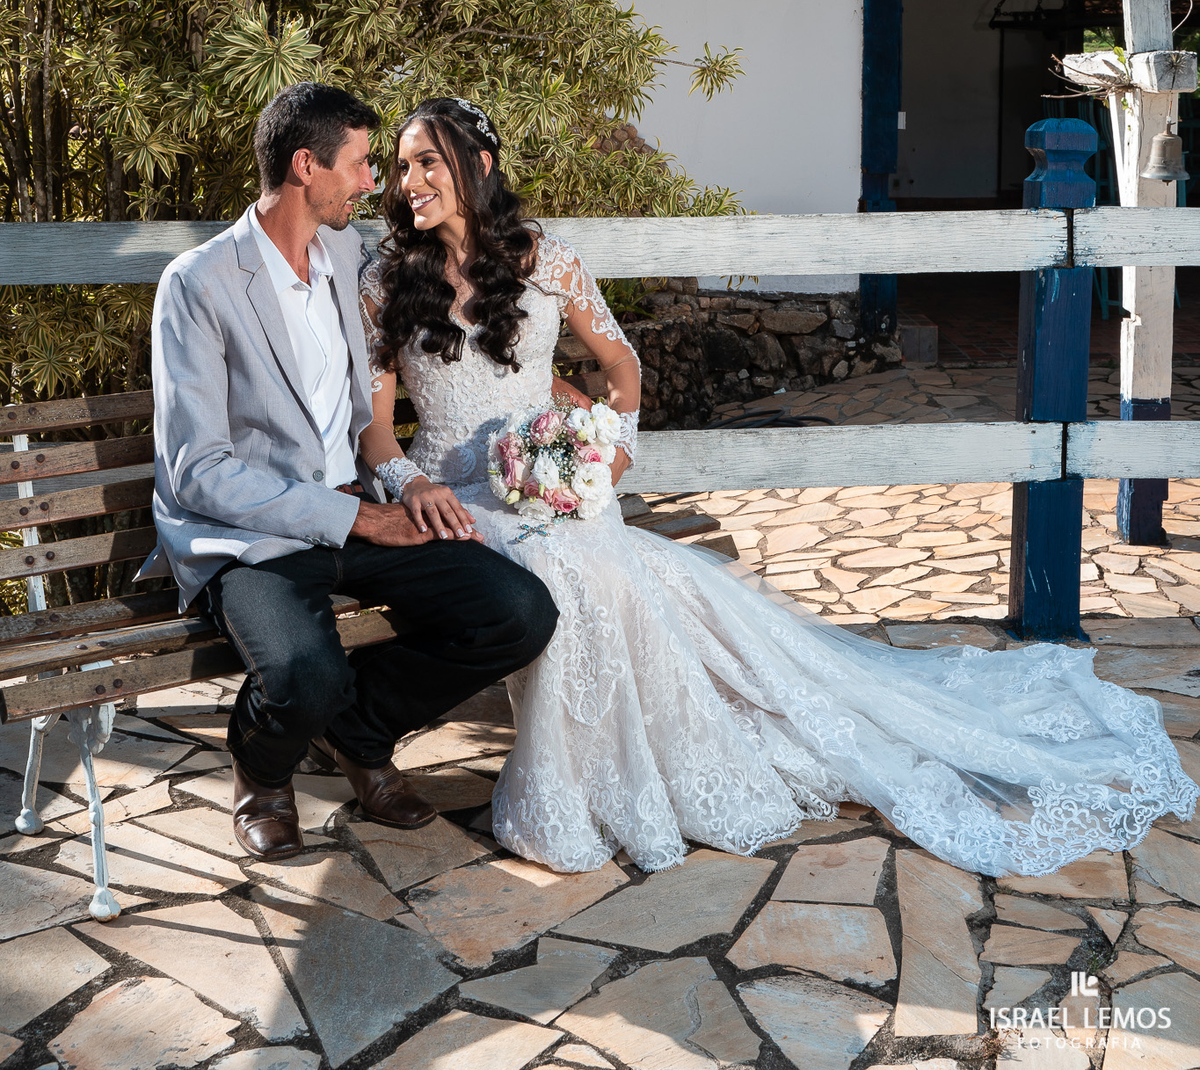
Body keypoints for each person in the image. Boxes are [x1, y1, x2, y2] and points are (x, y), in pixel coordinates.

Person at [358, 94, 1199, 878]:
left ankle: (615, 776)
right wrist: (402, 478)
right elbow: (372, 424)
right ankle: (571, 790)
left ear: (480, 162)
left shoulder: (547, 262)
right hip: (453, 493)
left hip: (552, 488)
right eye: (401, 169)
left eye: (428, 162)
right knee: (578, 576)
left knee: (598, 568)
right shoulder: (388, 279)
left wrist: (609, 458)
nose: (411, 183)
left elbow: (621, 367)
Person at [147, 82, 558, 861]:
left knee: (517, 611)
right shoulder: (198, 284)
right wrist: (365, 518)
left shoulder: (347, 256)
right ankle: (262, 775)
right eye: (363, 163)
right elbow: (198, 472)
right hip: (254, 535)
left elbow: (455, 303)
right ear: (306, 166)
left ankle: (358, 734)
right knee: (308, 670)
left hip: (360, 506)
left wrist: (550, 391)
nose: (376, 183)